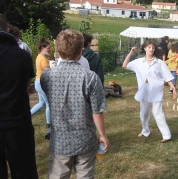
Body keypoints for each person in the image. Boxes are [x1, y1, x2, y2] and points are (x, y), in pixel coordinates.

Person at [40, 29, 110, 178]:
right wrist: (103, 135)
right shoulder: (91, 77)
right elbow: (96, 111)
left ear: (58, 50)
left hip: (60, 141)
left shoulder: (47, 76)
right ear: (81, 51)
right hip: (85, 139)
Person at [0, 14, 38, 178]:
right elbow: (26, 87)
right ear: (7, 29)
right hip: (16, 123)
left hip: (16, 122)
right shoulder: (22, 56)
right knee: (24, 172)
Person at [122, 41, 177, 143]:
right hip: (144, 90)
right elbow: (124, 65)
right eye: (149, 47)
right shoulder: (138, 62)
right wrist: (131, 53)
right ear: (145, 49)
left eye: (153, 47)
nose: (151, 49)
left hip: (156, 90)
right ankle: (145, 131)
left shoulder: (159, 62)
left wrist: (173, 88)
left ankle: (166, 135)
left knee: (157, 112)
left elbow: (167, 75)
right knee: (144, 113)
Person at [30, 38, 51, 138]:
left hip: (37, 82)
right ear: (43, 48)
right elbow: (47, 72)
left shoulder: (39, 56)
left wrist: (48, 59)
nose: (50, 49)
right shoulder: (43, 58)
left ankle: (28, 115)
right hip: (42, 83)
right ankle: (49, 124)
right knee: (49, 104)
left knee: (41, 103)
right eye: (48, 48)